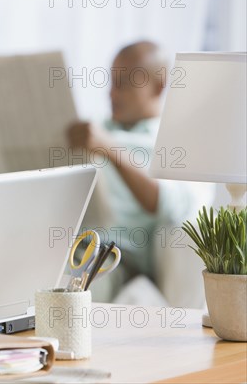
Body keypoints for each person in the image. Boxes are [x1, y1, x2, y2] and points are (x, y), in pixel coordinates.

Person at [67, 41, 210, 302]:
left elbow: (167, 205)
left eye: (124, 83)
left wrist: (110, 150)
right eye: (111, 82)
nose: (112, 94)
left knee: (71, 290)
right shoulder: (94, 127)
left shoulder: (176, 142)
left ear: (159, 86)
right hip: (61, 242)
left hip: (111, 258)